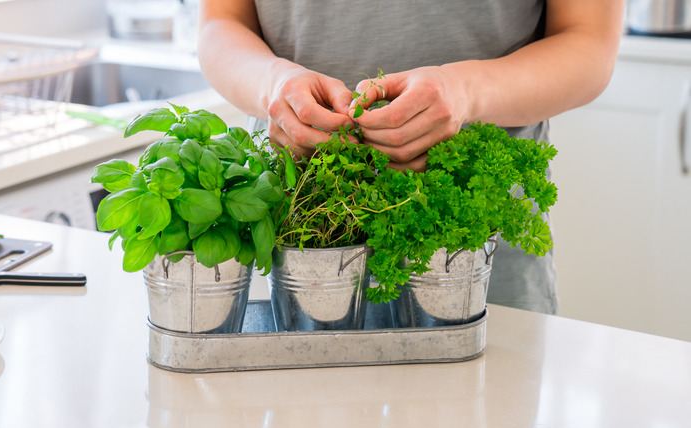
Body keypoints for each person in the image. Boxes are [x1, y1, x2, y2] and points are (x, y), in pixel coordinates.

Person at [196, 0, 625, 314]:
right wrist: (272, 82)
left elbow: (589, 40)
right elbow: (221, 22)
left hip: (476, 255)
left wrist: (466, 91)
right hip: (289, 241)